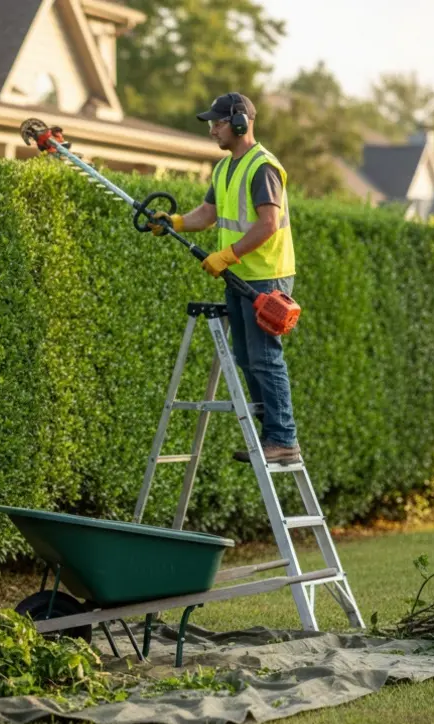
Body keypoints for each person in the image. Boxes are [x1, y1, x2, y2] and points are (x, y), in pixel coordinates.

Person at [149, 92, 301, 464]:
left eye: (217, 123)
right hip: (238, 275)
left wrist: (229, 254)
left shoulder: (262, 167)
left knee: (265, 359)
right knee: (247, 358)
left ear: (239, 123)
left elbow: (267, 224)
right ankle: (272, 433)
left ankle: (283, 438)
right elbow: (208, 213)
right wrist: (177, 222)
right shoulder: (223, 169)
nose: (212, 129)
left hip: (267, 278)